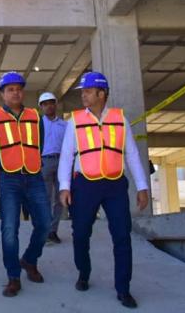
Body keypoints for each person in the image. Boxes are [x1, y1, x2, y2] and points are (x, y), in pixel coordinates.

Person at [57, 71, 149, 309]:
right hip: (84, 184)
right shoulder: (75, 121)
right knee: (80, 234)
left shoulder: (120, 119)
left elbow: (131, 154)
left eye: (87, 92)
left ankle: (123, 289)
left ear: (101, 93)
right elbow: (66, 156)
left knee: (122, 236)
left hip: (115, 185)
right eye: (83, 92)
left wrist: (142, 186)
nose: (84, 96)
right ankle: (84, 273)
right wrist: (65, 187)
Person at [0, 71, 51, 297]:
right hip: (9, 180)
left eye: (19, 88)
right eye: (10, 89)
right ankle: (13, 277)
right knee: (10, 229)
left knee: (45, 224)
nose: (15, 92)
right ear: (2, 94)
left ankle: (29, 259)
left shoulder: (35, 117)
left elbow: (39, 144)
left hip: (34, 177)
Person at [38, 91, 68, 244]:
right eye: (45, 104)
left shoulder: (65, 125)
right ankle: (43, 230)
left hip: (62, 162)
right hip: (44, 162)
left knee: (59, 198)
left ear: (55, 104)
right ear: (41, 107)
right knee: (45, 198)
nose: (49, 106)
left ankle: (52, 231)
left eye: (51, 102)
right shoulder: (38, 125)